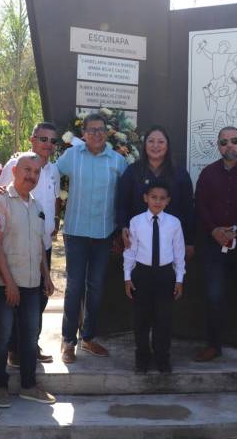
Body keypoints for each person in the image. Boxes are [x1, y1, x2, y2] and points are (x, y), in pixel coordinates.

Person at [56, 113, 127, 363]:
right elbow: (50, 175)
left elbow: (126, 195)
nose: (97, 134)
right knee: (74, 286)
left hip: (103, 233)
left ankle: (88, 338)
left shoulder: (118, 161)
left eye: (101, 130)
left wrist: (123, 227)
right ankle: (68, 340)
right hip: (75, 232)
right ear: (83, 134)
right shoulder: (71, 156)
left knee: (95, 288)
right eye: (92, 130)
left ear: (106, 133)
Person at [193, 126, 237, 366]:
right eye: (224, 142)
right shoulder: (208, 173)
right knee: (213, 297)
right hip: (214, 246)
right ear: (218, 146)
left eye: (234, 141)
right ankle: (214, 345)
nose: (229, 145)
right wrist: (215, 230)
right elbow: (200, 207)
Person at [0, 153, 56, 407]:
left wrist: (47, 276)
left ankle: (29, 385)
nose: (32, 175)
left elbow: (40, 243)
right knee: (2, 338)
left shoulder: (37, 205)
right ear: (15, 170)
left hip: (31, 284)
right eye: (27, 170)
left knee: (30, 338)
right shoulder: (1, 201)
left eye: (37, 172)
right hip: (6, 285)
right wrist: (9, 283)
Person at [0, 122, 61, 365]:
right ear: (32, 139)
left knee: (40, 297)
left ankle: (29, 344)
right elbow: (0, 194)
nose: (48, 144)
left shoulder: (54, 170)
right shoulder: (15, 165)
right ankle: (13, 349)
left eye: (52, 141)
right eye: (43, 139)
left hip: (42, 244)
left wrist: (55, 221)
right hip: (15, 245)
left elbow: (55, 198)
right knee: (15, 298)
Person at [123, 182, 186, 374]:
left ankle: (162, 358)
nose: (157, 201)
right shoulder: (136, 222)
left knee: (163, 319)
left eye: (162, 198)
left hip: (165, 274)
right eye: (153, 197)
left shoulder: (174, 223)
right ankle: (142, 358)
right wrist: (127, 277)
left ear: (168, 201)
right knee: (141, 320)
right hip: (142, 274)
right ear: (146, 198)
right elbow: (130, 252)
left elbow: (179, 253)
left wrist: (179, 279)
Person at [116, 125, 195, 260]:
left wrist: (189, 241)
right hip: (138, 241)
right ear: (145, 144)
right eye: (151, 141)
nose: (155, 146)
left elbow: (188, 209)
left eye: (160, 142)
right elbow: (122, 203)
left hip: (171, 243)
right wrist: (123, 226)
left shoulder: (180, 173)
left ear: (167, 145)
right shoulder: (133, 171)